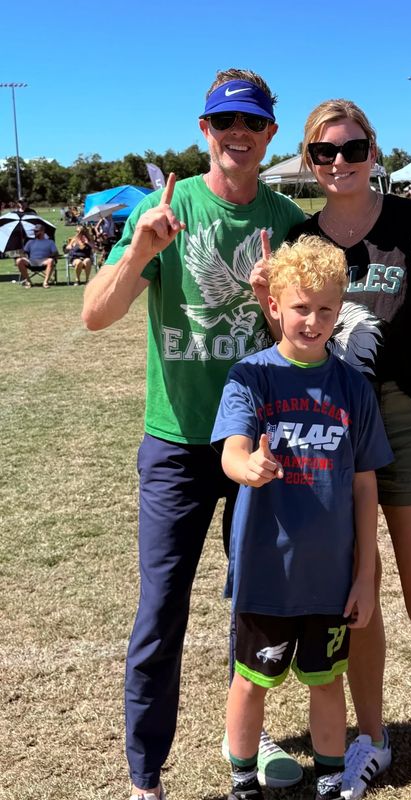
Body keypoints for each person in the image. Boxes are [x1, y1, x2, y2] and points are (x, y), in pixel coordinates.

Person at [263, 98, 411, 800]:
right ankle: (371, 738)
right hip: (335, 433)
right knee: (355, 597)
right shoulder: (304, 240)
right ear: (309, 162)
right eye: (325, 152)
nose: (341, 162)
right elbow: (289, 337)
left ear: (375, 151)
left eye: (354, 147)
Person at [81, 68, 306, 800]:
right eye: (222, 122)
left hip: (256, 443)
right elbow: (95, 314)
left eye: (251, 123)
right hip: (176, 443)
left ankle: (248, 737)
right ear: (203, 132)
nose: (236, 134)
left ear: (270, 133)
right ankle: (146, 777)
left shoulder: (287, 218)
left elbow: (306, 337)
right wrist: (142, 250)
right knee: (160, 611)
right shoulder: (161, 208)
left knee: (256, 603)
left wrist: (276, 305)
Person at [211, 235, 393, 800]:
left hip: (330, 577)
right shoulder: (252, 376)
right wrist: (250, 466)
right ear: (274, 306)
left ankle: (331, 777)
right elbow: (230, 451)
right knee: (250, 681)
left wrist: (365, 573)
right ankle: (243, 777)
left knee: (326, 679)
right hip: (267, 571)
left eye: (325, 309)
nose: (312, 320)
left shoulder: (352, 388)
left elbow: (366, 485)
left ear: (340, 310)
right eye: (299, 307)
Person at [16, 223, 59, 288]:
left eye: (36, 231)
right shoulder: (30, 242)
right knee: (19, 260)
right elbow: (24, 252)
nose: (34, 233)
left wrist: (50, 255)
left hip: (44, 261)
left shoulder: (50, 242)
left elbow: (56, 253)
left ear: (42, 231)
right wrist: (21, 252)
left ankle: (45, 282)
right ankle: (28, 281)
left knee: (50, 260)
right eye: (34, 231)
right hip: (31, 262)